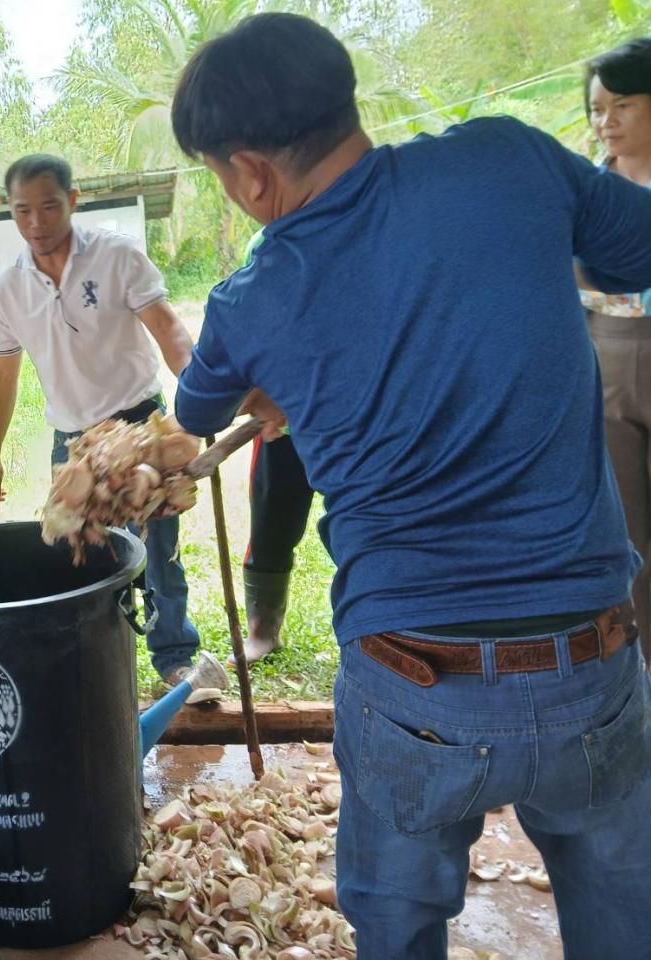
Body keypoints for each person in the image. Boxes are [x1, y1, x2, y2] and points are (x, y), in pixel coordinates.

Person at [171, 13, 651, 960]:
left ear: (251, 173)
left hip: (412, 682)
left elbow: (194, 414)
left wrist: (286, 380)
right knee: (625, 920)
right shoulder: (509, 160)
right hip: (589, 660)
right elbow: (627, 252)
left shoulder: (249, 300)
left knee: (394, 930)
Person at [0, 153, 203, 686]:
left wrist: (197, 406)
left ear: (73, 202)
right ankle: (97, 666)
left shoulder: (117, 258)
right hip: (74, 444)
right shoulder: (9, 289)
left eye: (50, 207)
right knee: (80, 556)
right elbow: (3, 372)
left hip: (140, 427)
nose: (36, 223)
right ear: (11, 212)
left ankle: (174, 657)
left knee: (160, 550)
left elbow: (169, 331)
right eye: (22, 211)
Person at [579, 38, 651, 657]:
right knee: (625, 529)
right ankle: (642, 669)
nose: (606, 121)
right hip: (601, 354)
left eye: (623, 104)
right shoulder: (584, 190)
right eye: (598, 108)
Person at [235, 227, 316, 665]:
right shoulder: (262, 244)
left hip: (343, 422)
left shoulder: (352, 232)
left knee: (360, 521)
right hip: (278, 427)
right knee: (271, 524)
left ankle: (372, 627)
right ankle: (263, 632)